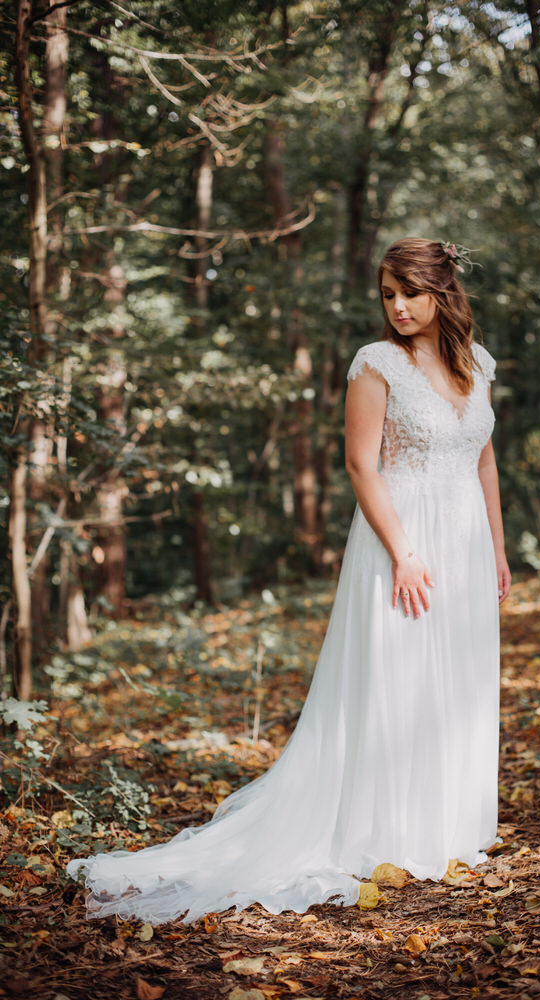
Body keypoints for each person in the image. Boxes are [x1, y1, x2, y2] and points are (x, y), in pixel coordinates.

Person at [66, 235, 511, 925]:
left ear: (441, 292)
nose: (396, 306)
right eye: (387, 294)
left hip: (466, 540)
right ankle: (386, 829)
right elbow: (362, 467)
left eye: (409, 293)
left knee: (455, 674)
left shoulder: (478, 364)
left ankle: (447, 825)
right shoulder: (375, 365)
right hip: (401, 535)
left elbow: (483, 462)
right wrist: (404, 553)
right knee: (396, 676)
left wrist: (499, 550)